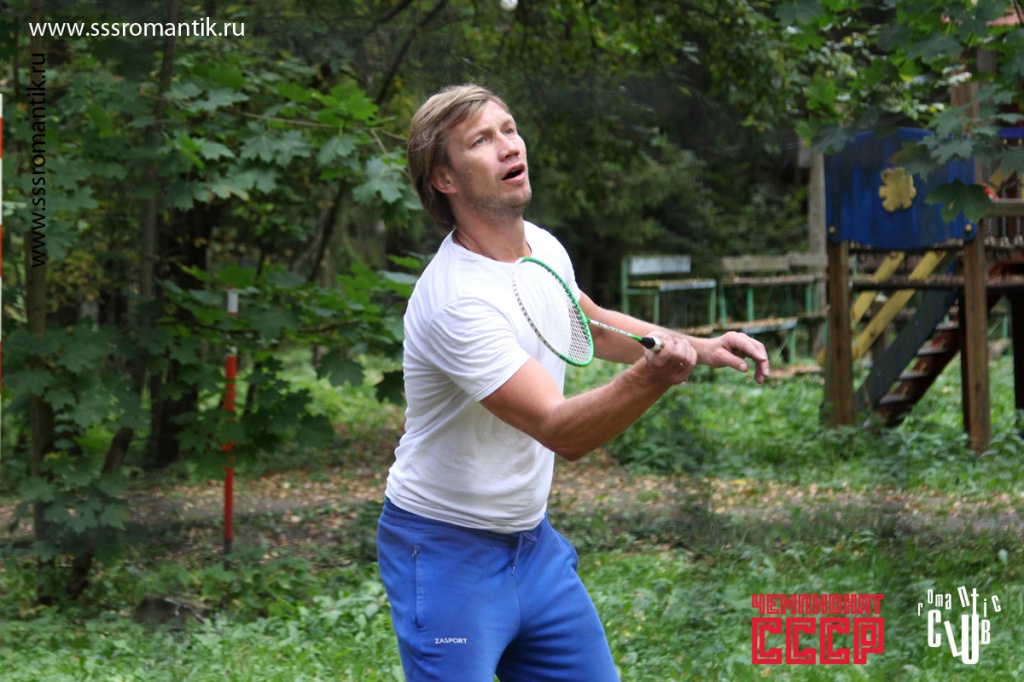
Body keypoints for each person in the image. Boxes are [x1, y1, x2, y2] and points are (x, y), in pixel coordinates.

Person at [377, 83, 770, 682]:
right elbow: (560, 430)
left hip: (533, 548)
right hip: (443, 554)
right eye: (481, 140)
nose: (510, 146)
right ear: (444, 179)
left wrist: (699, 346)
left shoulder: (541, 249)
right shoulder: (457, 299)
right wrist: (653, 378)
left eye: (509, 129)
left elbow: (591, 325)